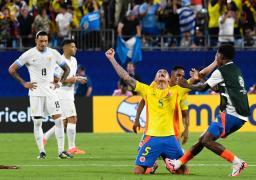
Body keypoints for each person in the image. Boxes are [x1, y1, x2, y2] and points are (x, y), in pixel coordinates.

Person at [166, 44, 250, 177]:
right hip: (241, 115)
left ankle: (237, 162)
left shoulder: (220, 71)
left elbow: (203, 88)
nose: (215, 56)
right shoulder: (235, 69)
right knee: (202, 139)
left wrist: (186, 85)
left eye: (217, 54)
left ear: (221, 56)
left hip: (232, 113)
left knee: (206, 140)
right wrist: (200, 78)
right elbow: (216, 88)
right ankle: (177, 164)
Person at [105, 48, 185, 174]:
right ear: (154, 79)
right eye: (159, 73)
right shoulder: (147, 90)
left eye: (164, 72)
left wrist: (210, 67)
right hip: (152, 137)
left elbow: (198, 81)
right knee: (137, 171)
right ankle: (154, 164)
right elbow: (126, 77)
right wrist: (112, 59)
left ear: (170, 80)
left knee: (184, 172)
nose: (161, 73)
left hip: (170, 137)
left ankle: (167, 160)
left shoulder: (177, 90)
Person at [133, 63, 218, 174]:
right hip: (154, 129)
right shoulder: (156, 84)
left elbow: (185, 112)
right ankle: (154, 164)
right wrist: (137, 118)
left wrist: (186, 129)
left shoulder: (180, 90)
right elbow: (144, 99)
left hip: (173, 128)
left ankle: (168, 161)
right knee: (142, 151)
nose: (180, 77)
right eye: (178, 75)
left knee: (172, 156)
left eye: (182, 75)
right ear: (171, 76)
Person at [8, 31, 73, 159]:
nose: (43, 43)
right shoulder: (28, 54)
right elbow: (11, 69)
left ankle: (61, 152)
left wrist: (59, 82)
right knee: (37, 123)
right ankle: (42, 152)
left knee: (59, 120)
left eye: (45, 41)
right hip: (36, 93)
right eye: (41, 41)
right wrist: (23, 83)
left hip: (50, 92)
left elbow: (67, 69)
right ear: (36, 41)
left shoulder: (53, 53)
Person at [43, 39, 86, 155]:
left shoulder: (74, 60)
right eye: (73, 46)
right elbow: (55, 80)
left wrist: (78, 78)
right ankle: (72, 148)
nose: (75, 48)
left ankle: (44, 137)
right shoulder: (60, 62)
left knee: (64, 121)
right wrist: (72, 80)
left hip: (69, 93)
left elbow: (71, 76)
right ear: (65, 48)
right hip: (61, 93)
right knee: (73, 119)